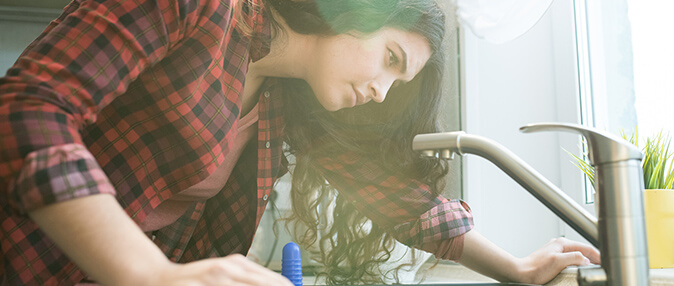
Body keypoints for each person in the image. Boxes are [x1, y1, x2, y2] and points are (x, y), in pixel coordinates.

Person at [0, 0, 600, 284]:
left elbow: (400, 202)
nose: (383, 91)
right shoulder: (199, 7)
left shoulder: (287, 103)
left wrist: (517, 270)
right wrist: (150, 274)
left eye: (400, 81)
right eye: (390, 59)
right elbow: (28, 108)